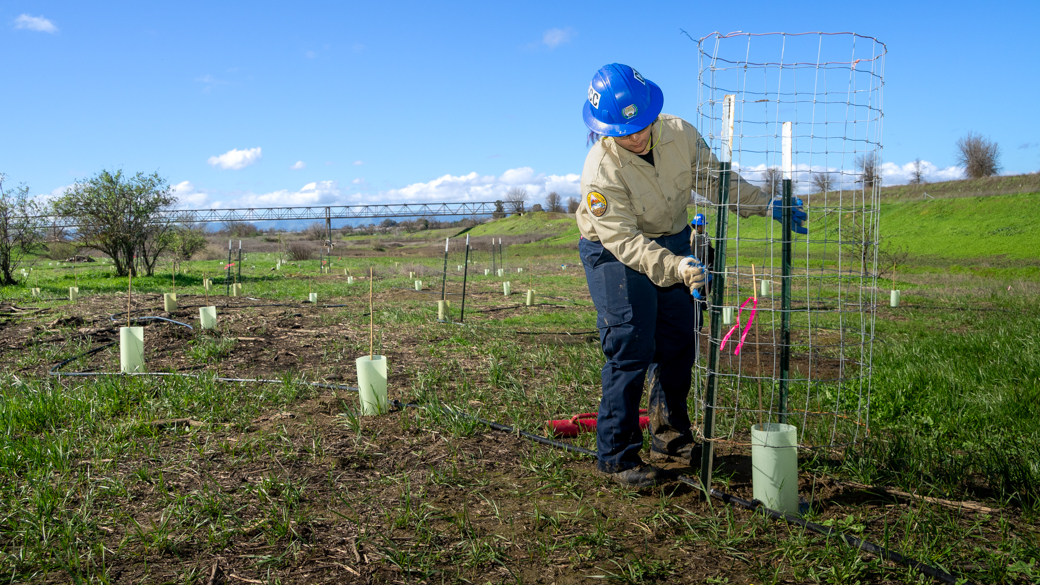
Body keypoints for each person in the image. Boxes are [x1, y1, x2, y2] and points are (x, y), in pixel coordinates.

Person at [577, 63, 807, 488]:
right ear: (604, 128)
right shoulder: (600, 171)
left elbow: (717, 182)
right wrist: (677, 266)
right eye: (624, 131)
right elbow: (625, 241)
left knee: (679, 341)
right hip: (615, 251)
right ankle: (617, 454)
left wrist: (767, 204)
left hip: (674, 238)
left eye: (642, 123)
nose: (637, 135)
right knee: (631, 344)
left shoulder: (679, 133)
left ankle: (671, 437)